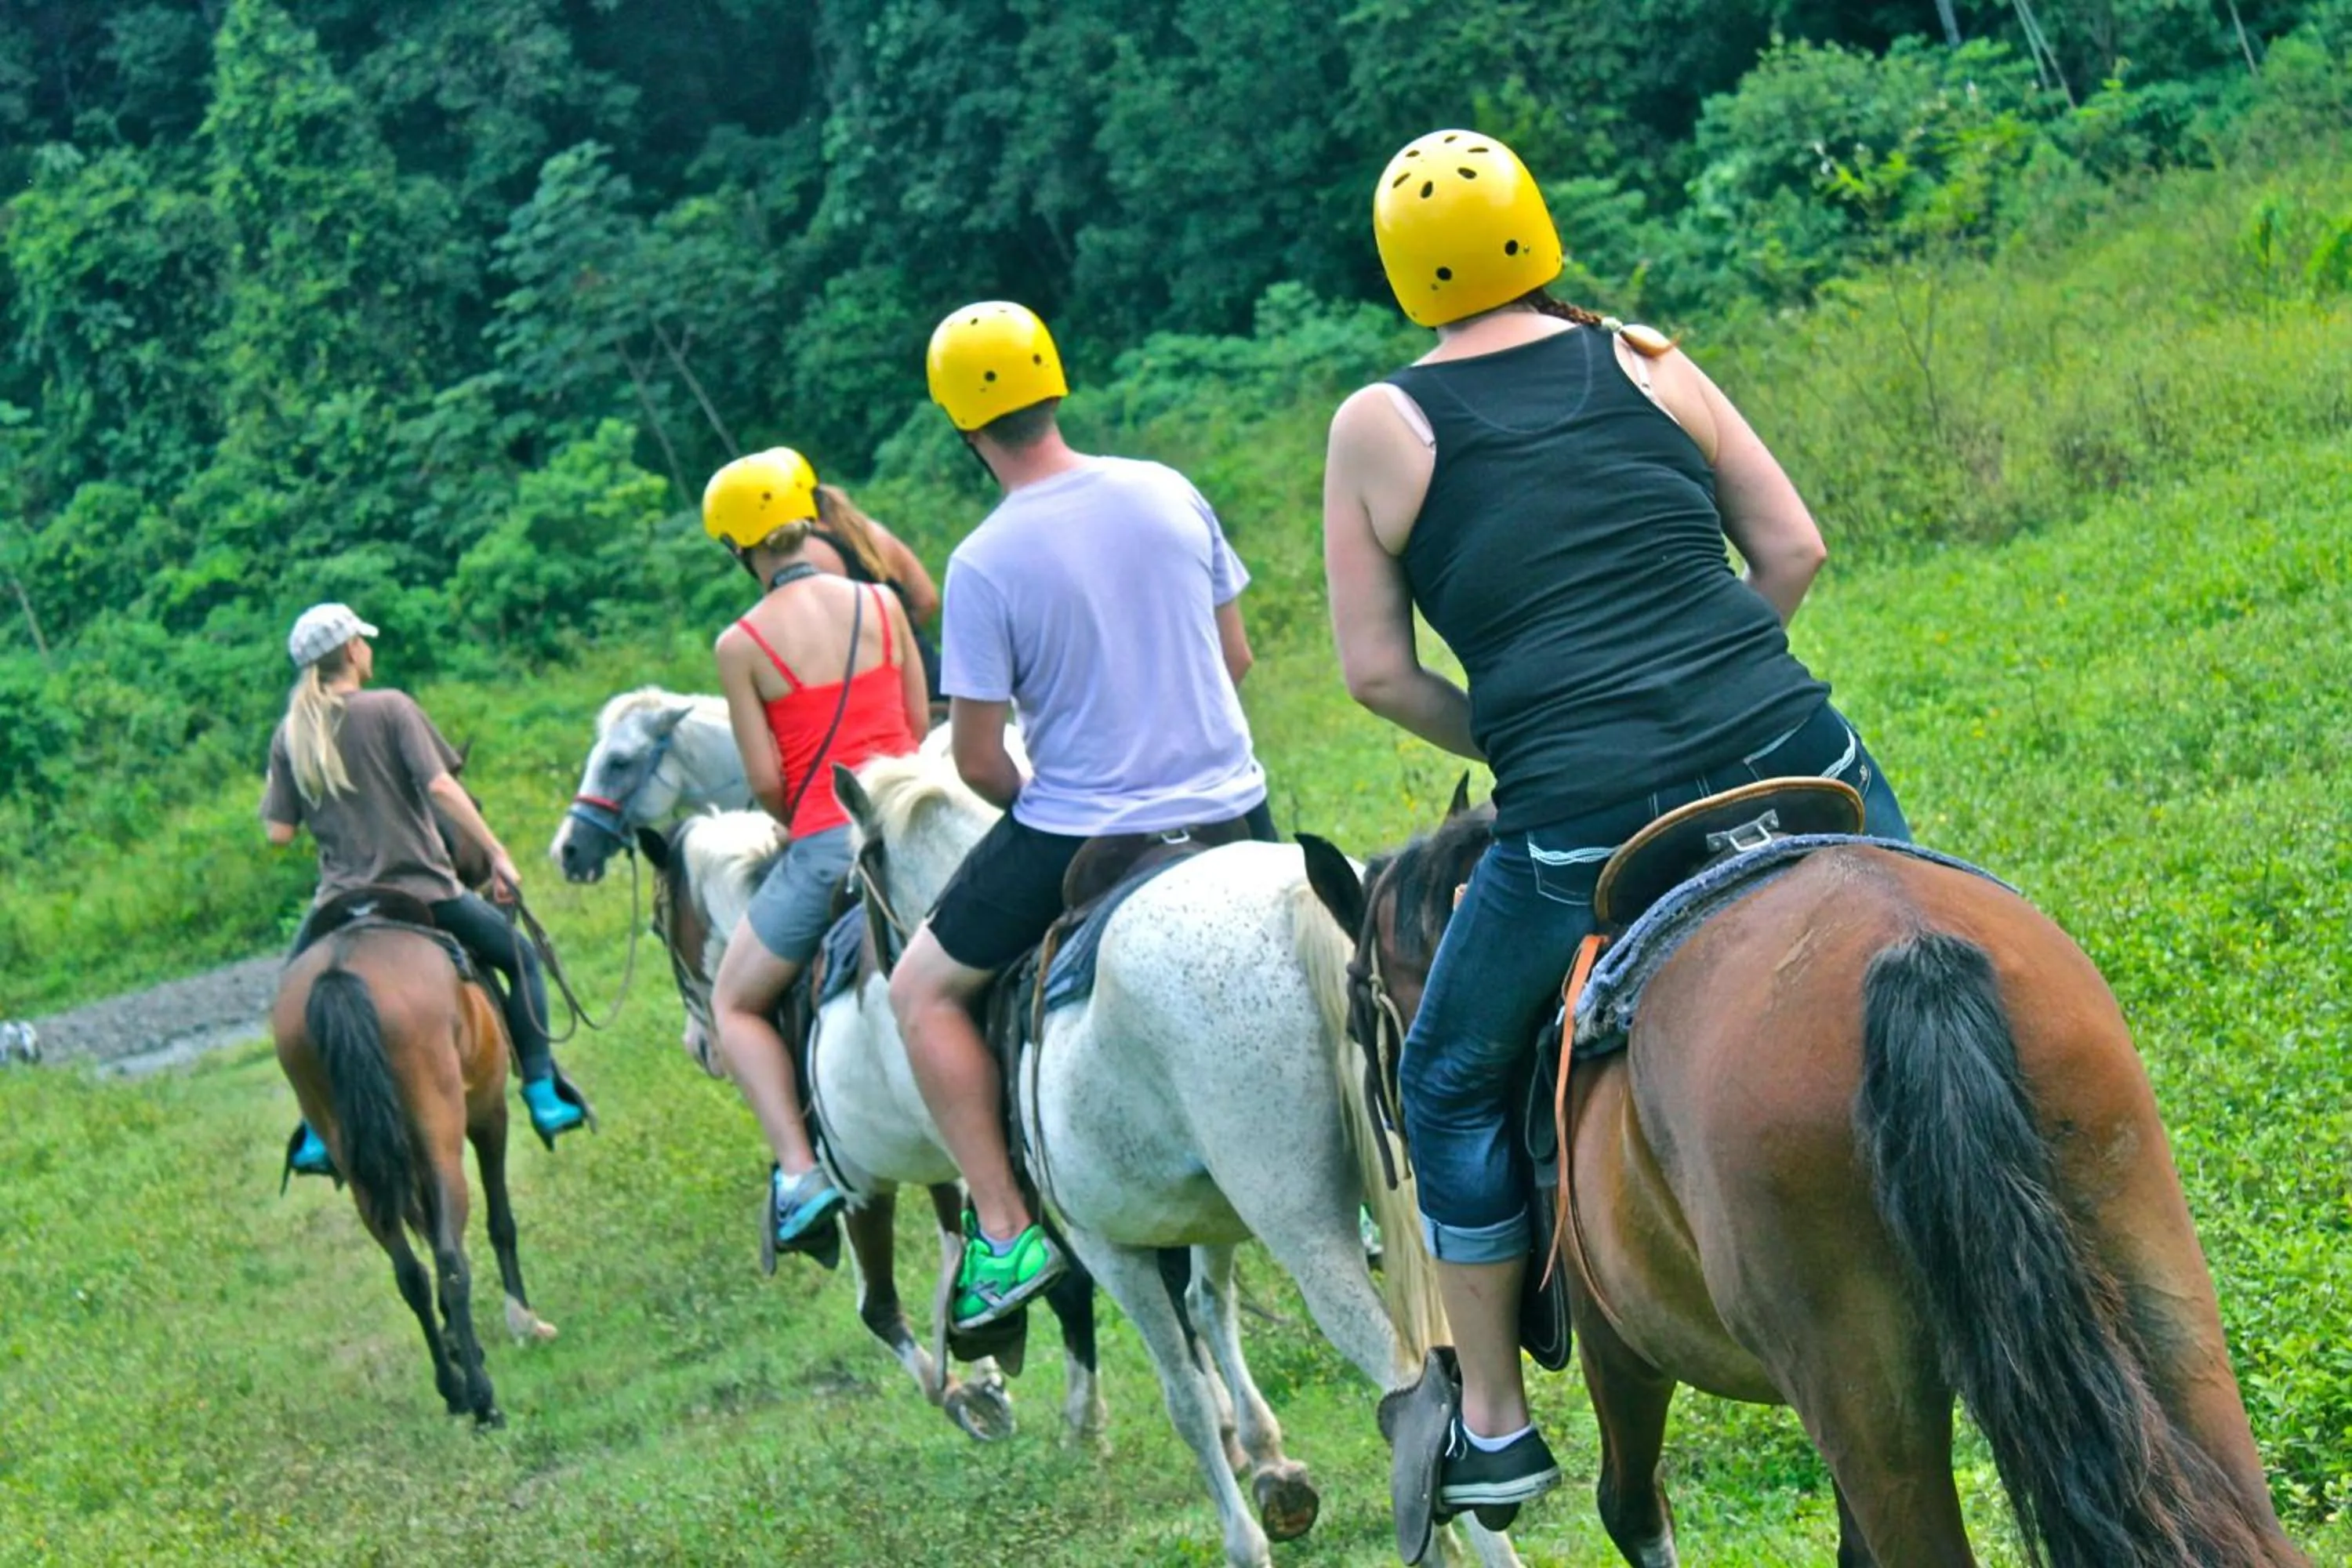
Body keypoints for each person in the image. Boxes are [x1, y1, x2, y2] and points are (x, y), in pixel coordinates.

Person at [1322, 130, 1914, 1517]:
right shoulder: (1649, 357)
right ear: (1538, 228)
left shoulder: (1380, 425)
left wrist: (1529, 734)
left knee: (1446, 1075)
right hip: (1797, 751)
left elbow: (1376, 674)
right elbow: (1796, 550)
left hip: (1582, 818)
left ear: (1407, 275)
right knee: (1945, 944)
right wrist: (1718, 681)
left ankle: (1493, 1419)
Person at [887, 301, 1272, 1331]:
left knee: (919, 992)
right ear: (1054, 386)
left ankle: (1005, 1232)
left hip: (1081, 828)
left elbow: (978, 758)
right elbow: (1235, 658)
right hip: (1233, 803)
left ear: (963, 426)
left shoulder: (983, 561)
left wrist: (1053, 798)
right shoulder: (1168, 489)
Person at [262, 603, 587, 1175]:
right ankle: (541, 1087)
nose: (368, 649)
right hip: (422, 888)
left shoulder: (291, 734)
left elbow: (278, 834)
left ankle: (316, 1129)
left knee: (294, 998)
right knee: (522, 958)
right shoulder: (391, 707)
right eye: (364, 641)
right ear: (353, 650)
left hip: (337, 902)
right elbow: (440, 786)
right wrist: (496, 852)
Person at [704, 448, 928, 1249]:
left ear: (736, 545)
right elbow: (917, 725)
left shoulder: (741, 644)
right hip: (914, 825)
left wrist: (803, 818)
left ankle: (801, 1173)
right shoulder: (880, 602)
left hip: (834, 840)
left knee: (733, 1004)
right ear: (805, 518)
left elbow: (768, 780)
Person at [800, 481, 947, 702]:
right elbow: (927, 600)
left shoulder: (808, 552)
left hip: (886, 697)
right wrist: (900, 638)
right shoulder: (869, 530)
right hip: (932, 678)